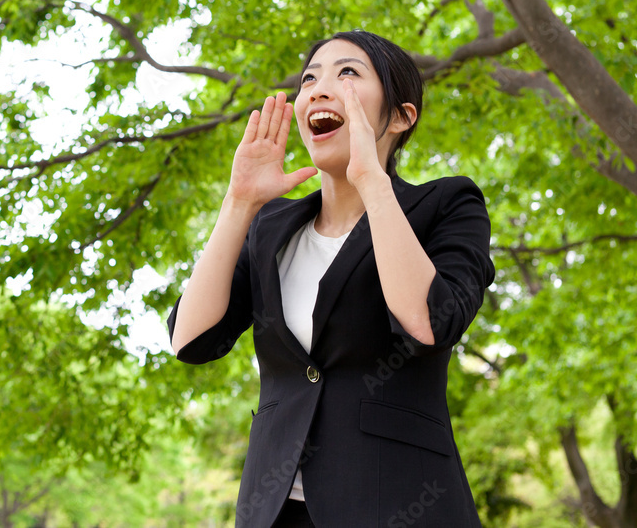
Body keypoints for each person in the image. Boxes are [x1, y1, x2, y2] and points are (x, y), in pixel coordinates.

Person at [167, 30, 495, 527]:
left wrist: (370, 179)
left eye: (348, 73)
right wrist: (240, 203)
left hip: (398, 502)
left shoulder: (445, 205)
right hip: (273, 510)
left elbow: (429, 323)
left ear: (402, 116)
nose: (319, 88)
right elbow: (189, 339)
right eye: (309, 79)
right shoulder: (270, 227)